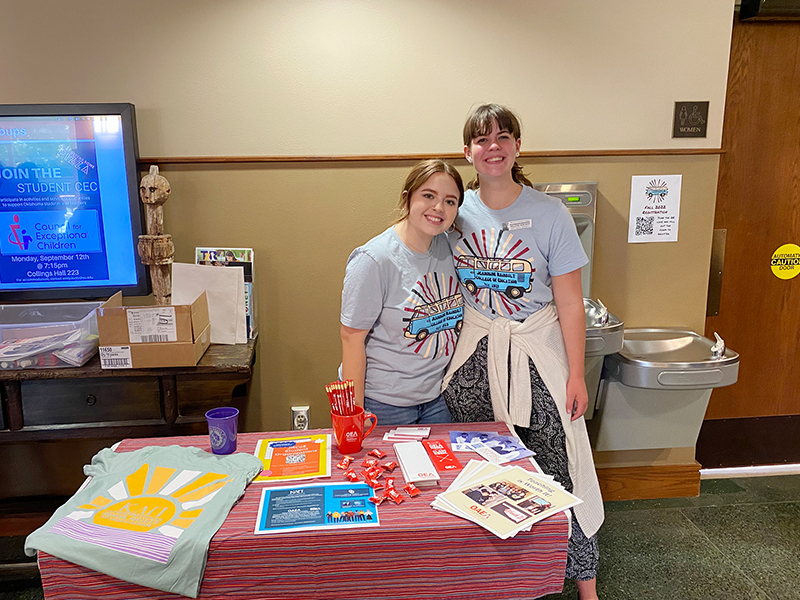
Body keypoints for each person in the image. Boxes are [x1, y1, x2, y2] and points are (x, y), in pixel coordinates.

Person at [442, 104, 604, 600]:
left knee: (559, 464)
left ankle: (585, 585)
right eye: (482, 139)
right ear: (467, 151)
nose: (493, 146)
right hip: (476, 357)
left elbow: (571, 303)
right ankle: (499, 580)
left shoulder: (549, 212)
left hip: (537, 353)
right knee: (481, 472)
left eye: (504, 136)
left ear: (517, 146)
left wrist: (577, 375)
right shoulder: (453, 209)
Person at [340, 159, 465, 426]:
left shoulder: (450, 248)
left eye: (450, 201)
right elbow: (351, 338)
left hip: (437, 399)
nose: (439, 207)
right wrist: (355, 413)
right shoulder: (374, 259)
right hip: (382, 403)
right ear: (408, 199)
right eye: (428, 196)